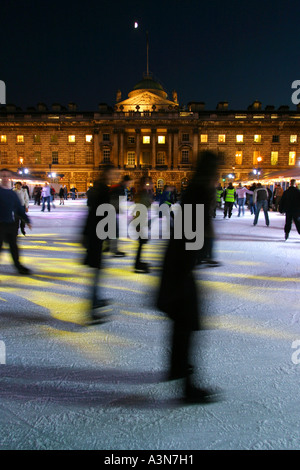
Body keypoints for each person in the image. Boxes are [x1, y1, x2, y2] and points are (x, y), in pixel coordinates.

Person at [157, 151, 220, 404]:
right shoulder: (199, 192)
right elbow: (190, 235)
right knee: (187, 323)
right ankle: (187, 386)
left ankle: (176, 370)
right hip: (180, 267)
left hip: (178, 264)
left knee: (182, 322)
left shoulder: (196, 189)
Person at [83, 165, 115, 323]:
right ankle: (92, 309)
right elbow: (104, 215)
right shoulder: (102, 191)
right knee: (96, 272)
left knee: (97, 271)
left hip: (93, 234)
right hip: (97, 236)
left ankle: (96, 300)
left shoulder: (97, 190)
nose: (114, 175)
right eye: (112, 172)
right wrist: (108, 236)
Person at [0, 168, 32, 275]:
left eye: (6, 176)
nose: (5, 178)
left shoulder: (12, 194)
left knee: (13, 246)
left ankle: (18, 266)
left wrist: (27, 220)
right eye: (3, 176)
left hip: (10, 224)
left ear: (10, 178)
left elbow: (19, 208)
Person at [134, 176, 153, 273]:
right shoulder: (143, 194)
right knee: (141, 242)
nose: (151, 185)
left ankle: (138, 263)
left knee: (142, 243)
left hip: (142, 221)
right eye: (148, 183)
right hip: (140, 222)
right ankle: (138, 264)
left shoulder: (145, 193)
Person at [109, 175, 132, 257]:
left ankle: (107, 246)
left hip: (110, 210)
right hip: (110, 211)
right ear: (126, 181)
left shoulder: (120, 187)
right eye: (129, 182)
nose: (129, 184)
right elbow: (114, 201)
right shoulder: (119, 188)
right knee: (114, 230)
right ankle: (113, 249)